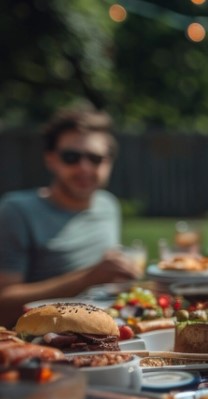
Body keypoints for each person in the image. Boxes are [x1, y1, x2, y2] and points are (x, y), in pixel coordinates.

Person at [0, 107, 138, 328]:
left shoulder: (108, 205)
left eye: (95, 158)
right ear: (51, 159)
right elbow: (3, 305)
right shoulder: (16, 210)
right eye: (71, 157)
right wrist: (88, 277)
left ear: (109, 163)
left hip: (104, 330)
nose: (84, 168)